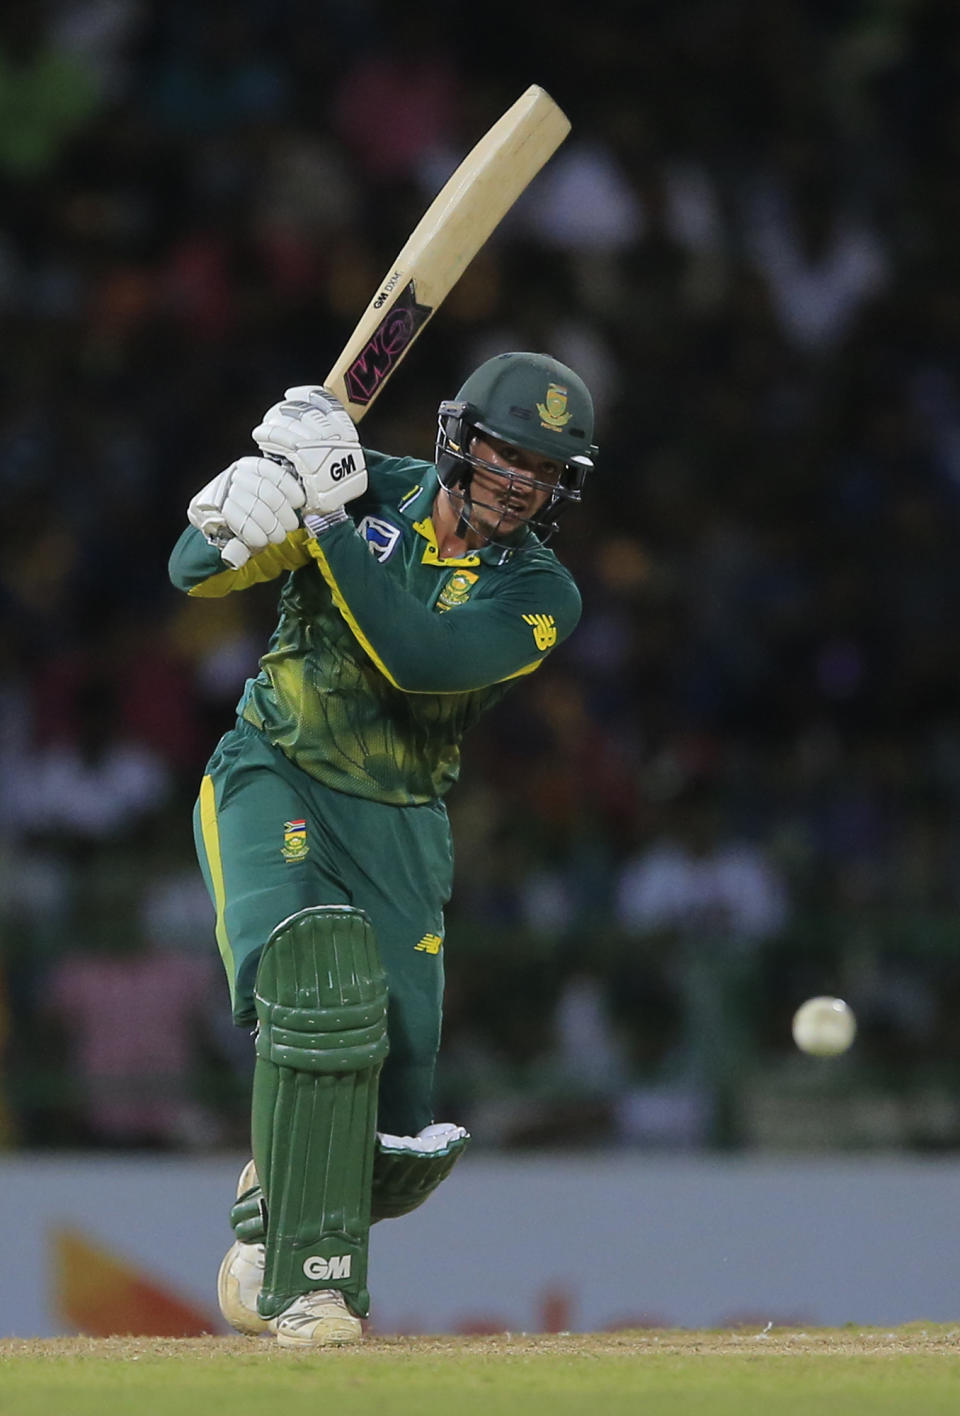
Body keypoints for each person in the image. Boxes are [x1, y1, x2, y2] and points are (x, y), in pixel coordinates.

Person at [168, 352, 597, 1347]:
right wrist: (250, 496)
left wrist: (322, 516)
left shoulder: (545, 593)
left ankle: (272, 1216)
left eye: (543, 470)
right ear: (457, 442)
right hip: (275, 767)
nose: (520, 484)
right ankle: (313, 1291)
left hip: (399, 821)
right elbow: (192, 574)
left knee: (394, 1132)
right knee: (303, 977)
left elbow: (423, 660)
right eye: (504, 456)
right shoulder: (365, 483)